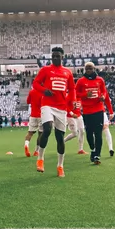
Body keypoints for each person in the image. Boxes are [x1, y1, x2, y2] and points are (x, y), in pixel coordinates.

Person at [32, 46, 75, 177]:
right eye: (53, 56)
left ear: (63, 57)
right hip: (47, 105)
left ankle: (60, 166)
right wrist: (43, 90)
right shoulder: (45, 70)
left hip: (61, 107)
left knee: (60, 138)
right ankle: (40, 159)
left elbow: (72, 89)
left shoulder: (67, 72)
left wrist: (70, 101)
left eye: (58, 56)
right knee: (47, 129)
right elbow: (35, 83)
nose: (55, 58)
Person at [75, 62, 109, 164]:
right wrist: (85, 94)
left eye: (90, 68)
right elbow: (76, 93)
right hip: (87, 111)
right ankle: (93, 149)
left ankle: (97, 155)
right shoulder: (81, 81)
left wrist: (103, 96)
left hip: (98, 109)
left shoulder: (100, 80)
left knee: (98, 134)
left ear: (94, 69)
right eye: (87, 68)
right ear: (85, 70)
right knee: (89, 133)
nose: (89, 70)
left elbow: (104, 91)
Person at [24, 88, 43, 157]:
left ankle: (26, 145)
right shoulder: (43, 92)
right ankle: (36, 151)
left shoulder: (31, 92)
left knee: (30, 133)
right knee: (40, 134)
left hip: (33, 115)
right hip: (41, 115)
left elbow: (28, 101)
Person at [103, 91, 115, 156]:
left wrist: (111, 112)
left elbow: (107, 100)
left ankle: (95, 150)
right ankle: (110, 148)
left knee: (95, 132)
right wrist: (111, 112)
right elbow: (108, 100)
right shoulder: (102, 89)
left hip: (95, 112)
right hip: (102, 112)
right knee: (106, 130)